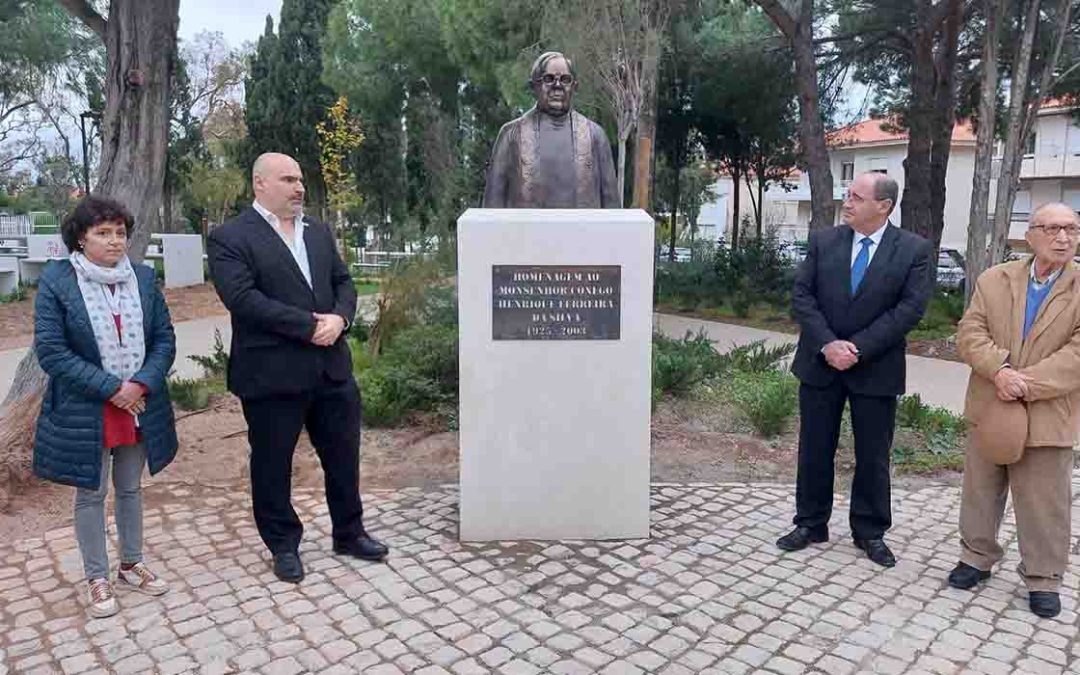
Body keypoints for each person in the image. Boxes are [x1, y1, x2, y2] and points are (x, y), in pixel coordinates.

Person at [207, 152, 387, 583]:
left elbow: (343, 282)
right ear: (260, 185)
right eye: (288, 179)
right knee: (272, 464)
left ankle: (349, 532)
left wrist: (341, 318)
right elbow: (243, 299)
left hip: (332, 370)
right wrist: (308, 326)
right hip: (272, 375)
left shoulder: (318, 232)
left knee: (343, 456)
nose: (299, 188)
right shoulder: (230, 237)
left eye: (301, 179)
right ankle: (283, 544)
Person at [777, 172, 933, 567]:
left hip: (875, 368)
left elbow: (909, 310)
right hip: (820, 362)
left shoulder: (913, 250)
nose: (846, 202)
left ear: (883, 206)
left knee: (873, 455)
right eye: (847, 195)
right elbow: (802, 296)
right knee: (814, 449)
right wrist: (829, 344)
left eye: (856, 197)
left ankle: (869, 530)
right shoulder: (824, 241)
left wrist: (858, 348)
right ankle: (811, 522)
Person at [33, 196, 177, 618]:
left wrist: (140, 385)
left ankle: (132, 564)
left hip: (139, 403)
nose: (115, 242)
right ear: (81, 237)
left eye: (120, 232)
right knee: (92, 494)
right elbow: (53, 353)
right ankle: (97, 577)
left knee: (131, 487)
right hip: (89, 407)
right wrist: (113, 388)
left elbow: (164, 340)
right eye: (103, 233)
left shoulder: (145, 279)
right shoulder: (58, 282)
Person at [951, 202, 1080, 618]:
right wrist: (998, 370)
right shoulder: (995, 279)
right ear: (1030, 235)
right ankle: (976, 557)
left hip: (1048, 413)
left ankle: (1044, 578)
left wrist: (1024, 383)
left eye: (1072, 230)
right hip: (992, 404)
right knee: (981, 490)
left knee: (1045, 501)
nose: (1063, 238)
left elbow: (1076, 355)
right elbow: (970, 332)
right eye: (1053, 228)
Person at [483, 51, 620, 208]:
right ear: (534, 85)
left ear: (575, 86)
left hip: (582, 231)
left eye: (565, 80)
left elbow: (612, 207)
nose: (557, 86)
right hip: (525, 232)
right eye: (548, 79)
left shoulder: (595, 135)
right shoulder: (511, 136)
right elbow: (492, 207)